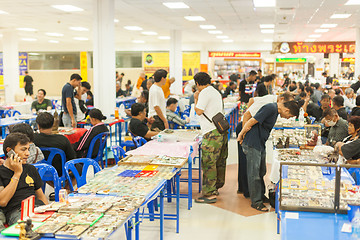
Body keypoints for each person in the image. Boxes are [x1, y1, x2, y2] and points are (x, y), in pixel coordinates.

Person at [238, 101, 299, 212]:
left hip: (260, 143)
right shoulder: (271, 108)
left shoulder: (275, 111)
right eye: (289, 116)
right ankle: (256, 202)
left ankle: (260, 195)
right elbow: (252, 120)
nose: (287, 118)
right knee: (254, 173)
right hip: (253, 143)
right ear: (287, 110)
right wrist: (241, 135)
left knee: (261, 171)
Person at [193, 72, 228, 204]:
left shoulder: (204, 93)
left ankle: (209, 194)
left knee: (208, 162)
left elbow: (199, 111)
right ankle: (216, 186)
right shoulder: (215, 91)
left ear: (197, 83)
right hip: (220, 130)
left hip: (211, 132)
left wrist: (196, 98)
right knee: (219, 160)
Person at [0, 133, 48, 227]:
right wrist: (17, 173)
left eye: (28, 149)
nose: (28, 153)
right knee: (31, 229)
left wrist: (50, 211)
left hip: (38, 208)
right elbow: (3, 201)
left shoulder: (30, 169)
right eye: (23, 149)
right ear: (10, 151)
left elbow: (41, 196)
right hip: (18, 212)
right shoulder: (1, 172)